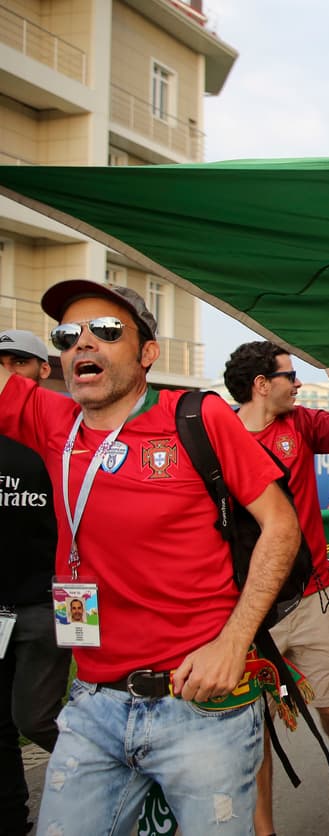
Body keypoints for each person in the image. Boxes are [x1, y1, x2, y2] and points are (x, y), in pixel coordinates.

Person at [0, 281, 299, 833]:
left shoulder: (198, 416)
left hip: (201, 703)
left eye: (107, 331)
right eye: (68, 336)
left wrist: (233, 643)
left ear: (148, 353)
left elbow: (282, 525)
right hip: (91, 705)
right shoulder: (51, 422)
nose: (83, 344)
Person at [224, 341, 329, 826]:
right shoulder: (216, 434)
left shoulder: (303, 423)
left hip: (313, 596)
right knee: (253, 728)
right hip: (245, 608)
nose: (298, 384)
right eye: (290, 376)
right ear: (261, 385)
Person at [0, 329, 70, 836]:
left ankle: (117, 768)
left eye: (19, 362)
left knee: (35, 717)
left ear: (43, 369)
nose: (10, 374)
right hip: (2, 607)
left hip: (54, 602)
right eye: (2, 363)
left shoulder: (64, 429)